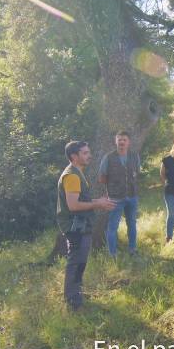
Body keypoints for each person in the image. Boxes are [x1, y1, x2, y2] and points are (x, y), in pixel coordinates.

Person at [56, 141, 116, 310]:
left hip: (81, 225)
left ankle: (76, 293)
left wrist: (100, 201)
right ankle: (73, 301)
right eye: (85, 153)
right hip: (75, 227)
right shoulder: (72, 176)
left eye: (88, 152)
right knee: (76, 262)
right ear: (74, 156)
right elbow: (74, 206)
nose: (89, 155)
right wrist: (98, 204)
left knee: (80, 261)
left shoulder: (77, 173)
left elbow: (81, 200)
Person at [98, 131, 141, 257]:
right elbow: (101, 178)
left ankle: (132, 250)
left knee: (132, 223)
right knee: (112, 227)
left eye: (124, 140)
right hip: (115, 198)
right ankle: (112, 254)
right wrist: (113, 185)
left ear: (129, 142)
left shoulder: (134, 156)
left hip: (132, 196)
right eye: (119, 139)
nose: (122, 142)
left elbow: (137, 172)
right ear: (115, 141)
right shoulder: (108, 157)